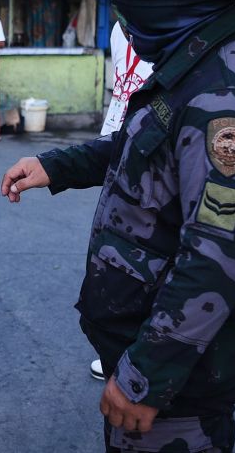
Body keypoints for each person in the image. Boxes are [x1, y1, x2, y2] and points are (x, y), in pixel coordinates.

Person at [0, 0, 235, 453]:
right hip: (148, 352)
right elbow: (142, 148)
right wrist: (55, 166)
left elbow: (217, 255)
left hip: (177, 377)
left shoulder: (226, 99)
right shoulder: (192, 65)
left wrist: (144, 378)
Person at [90, 20, 154, 381]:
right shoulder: (117, 29)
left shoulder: (169, 29)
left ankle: (142, 357)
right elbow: (120, 87)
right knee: (116, 252)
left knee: (146, 253)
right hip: (114, 138)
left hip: (149, 147)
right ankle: (120, 352)